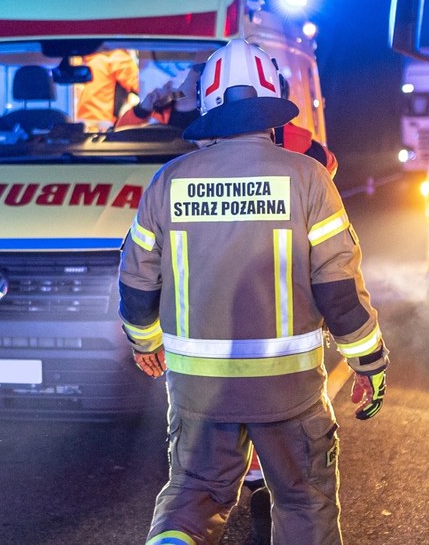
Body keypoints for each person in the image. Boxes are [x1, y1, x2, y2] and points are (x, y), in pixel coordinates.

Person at [118, 39, 388, 545]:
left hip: (199, 388)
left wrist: (145, 341)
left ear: (208, 104)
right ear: (272, 100)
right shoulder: (308, 177)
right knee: (303, 502)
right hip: (288, 391)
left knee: (192, 495)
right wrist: (368, 362)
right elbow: (338, 289)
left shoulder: (168, 181)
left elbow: (136, 278)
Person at [118, 51, 339, 179]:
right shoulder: (163, 114)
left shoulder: (172, 177)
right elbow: (122, 138)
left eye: (194, 79)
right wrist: (142, 109)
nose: (186, 82)